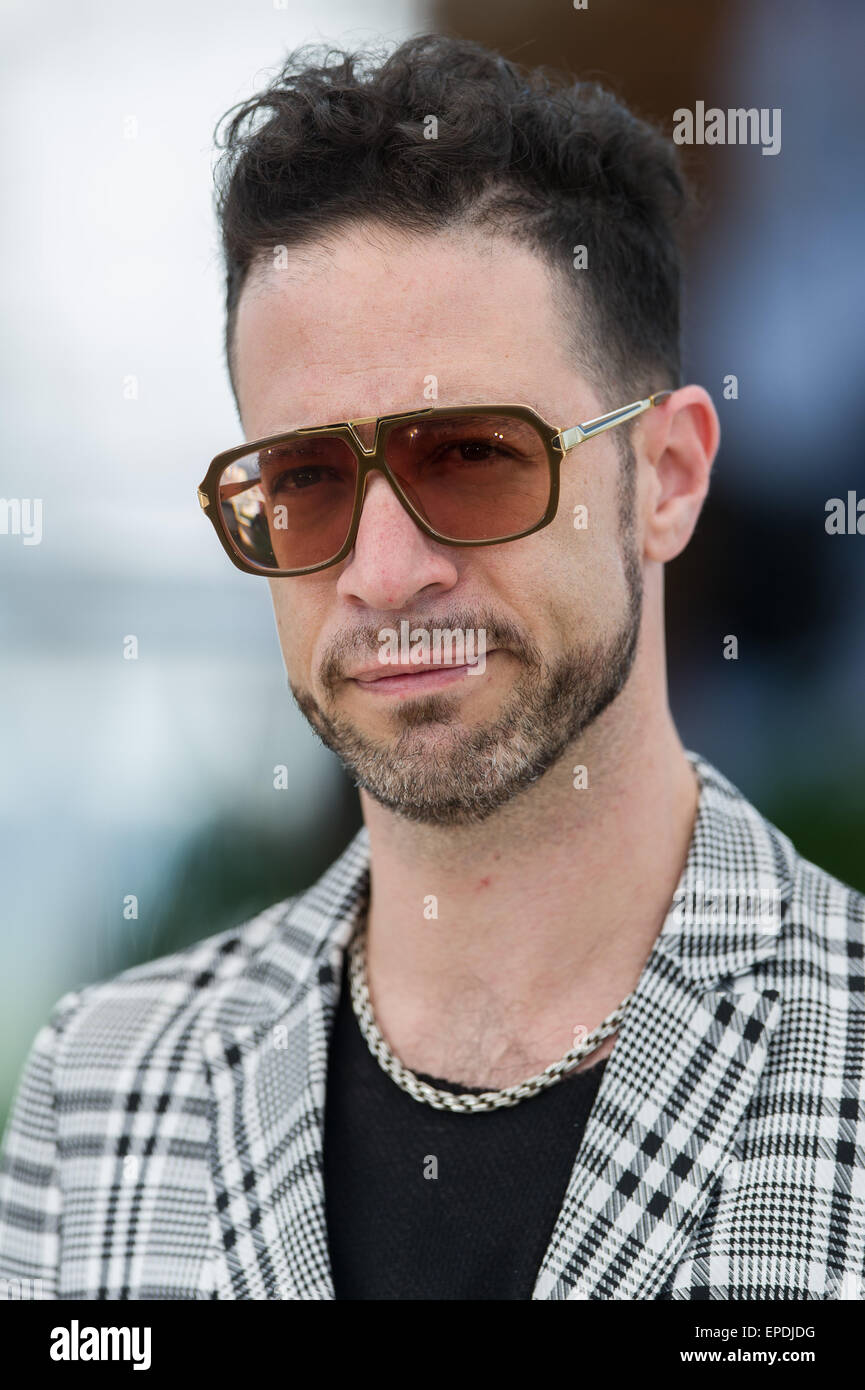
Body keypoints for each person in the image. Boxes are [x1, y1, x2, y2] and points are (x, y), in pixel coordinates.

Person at [1, 33, 862, 1302]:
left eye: (469, 456)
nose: (382, 571)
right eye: (303, 482)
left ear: (665, 479)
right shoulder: (103, 1095)